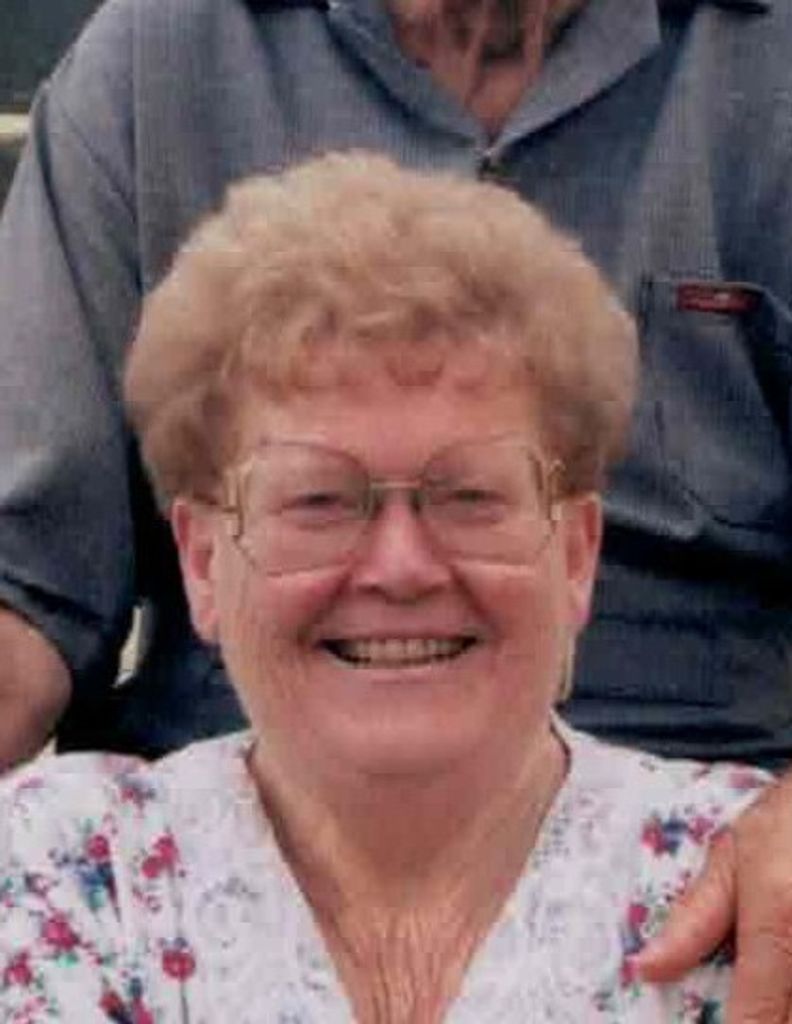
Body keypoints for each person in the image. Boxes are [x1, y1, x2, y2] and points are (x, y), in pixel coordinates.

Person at [2, 0, 792, 1018]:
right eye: (320, 499)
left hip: (730, 880)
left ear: (579, 547)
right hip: (193, 893)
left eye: (470, 495)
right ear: (203, 558)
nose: (402, 565)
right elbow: (24, 588)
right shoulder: (157, 58)